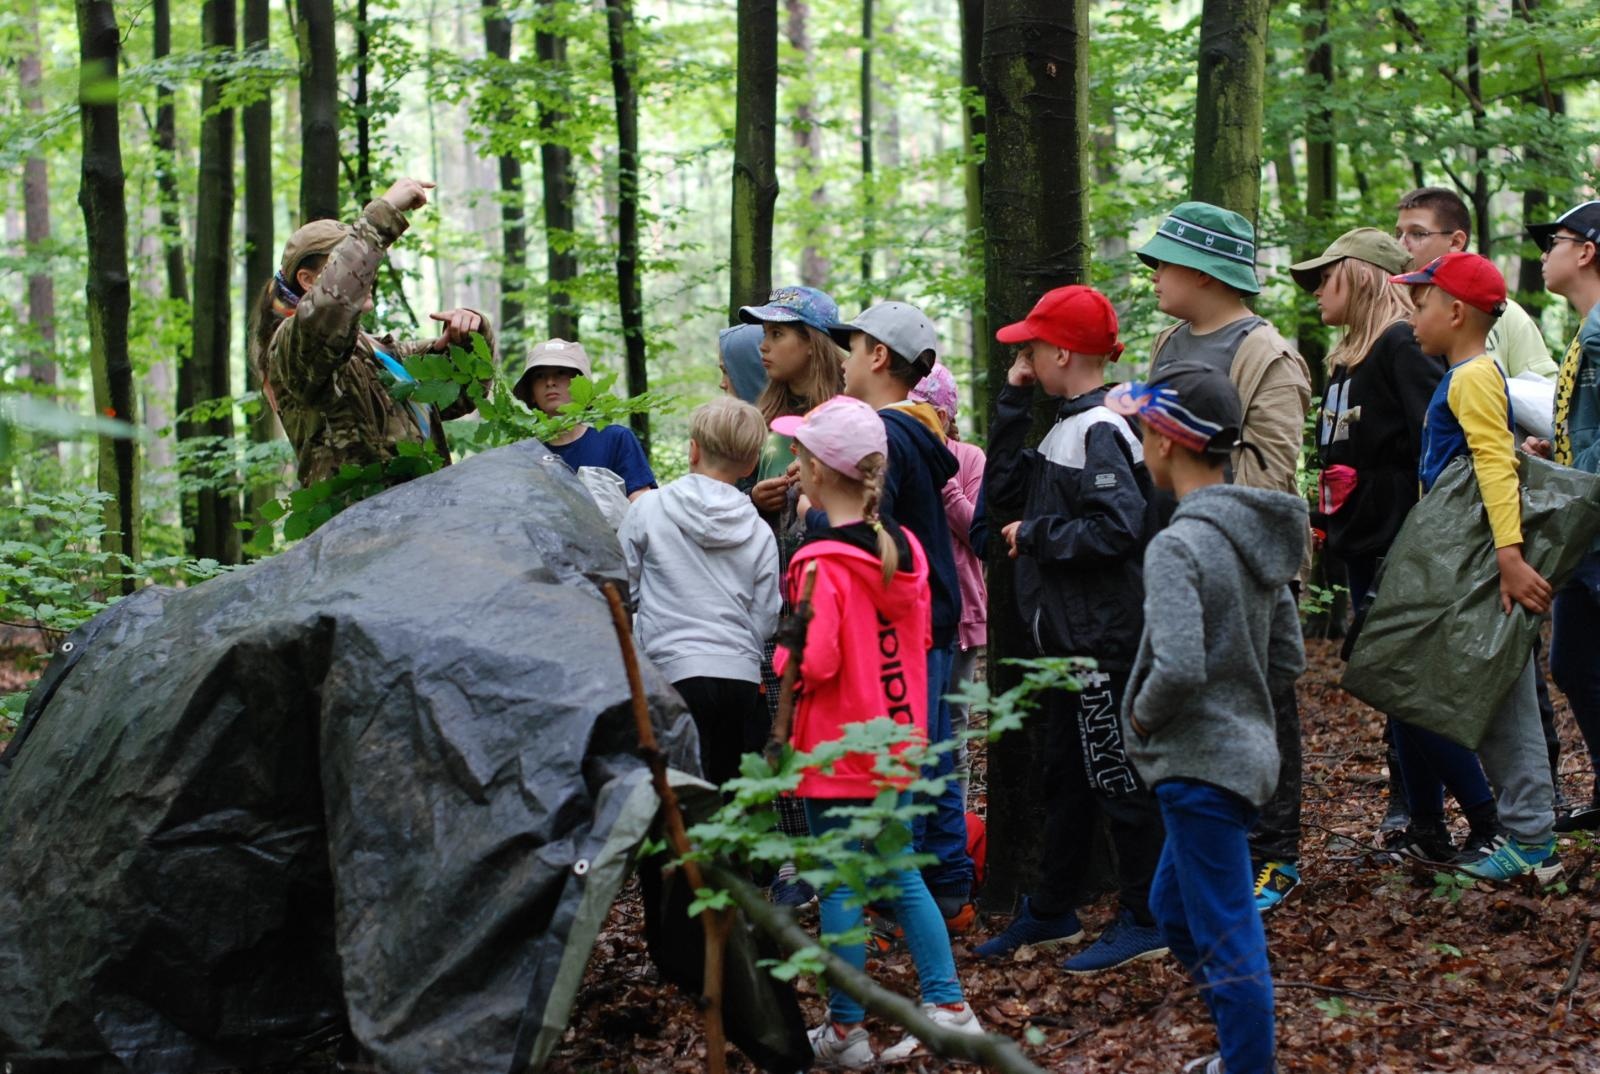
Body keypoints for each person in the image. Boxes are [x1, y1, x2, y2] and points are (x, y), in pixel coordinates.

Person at [770, 396, 983, 1068]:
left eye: (800, 452)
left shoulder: (819, 560)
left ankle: (844, 1032)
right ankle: (949, 1006)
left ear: (816, 471)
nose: (794, 460)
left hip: (836, 752)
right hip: (895, 744)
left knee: (839, 884)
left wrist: (781, 658)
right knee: (900, 874)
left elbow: (814, 660)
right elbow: (914, 642)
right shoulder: (906, 549)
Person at [1111, 362, 1307, 1074]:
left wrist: (1141, 718)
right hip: (1242, 759)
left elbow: (1180, 666)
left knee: (1226, 932)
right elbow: (1287, 658)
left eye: (1143, 430)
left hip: (1199, 765)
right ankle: (1238, 1045)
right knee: (1175, 911)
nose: (1140, 445)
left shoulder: (1178, 544)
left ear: (1167, 440)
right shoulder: (1254, 536)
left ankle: (1249, 1063)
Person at [1289, 229, 1499, 862]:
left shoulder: (1401, 346)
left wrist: (1429, 545)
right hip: (1361, 545)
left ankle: (1487, 822)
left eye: (1325, 276)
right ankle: (1427, 829)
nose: (1316, 290)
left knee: (1407, 690)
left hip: (1401, 548)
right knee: (1394, 694)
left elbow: (1440, 448)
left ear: (1359, 275)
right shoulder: (1345, 359)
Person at [975, 285, 1168, 974]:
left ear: (1061, 352)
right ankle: (1054, 908)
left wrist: (1038, 534)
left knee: (1117, 777)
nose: (1022, 356)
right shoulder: (1067, 424)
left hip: (1102, 643)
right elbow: (999, 495)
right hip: (1067, 642)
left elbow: (1118, 529)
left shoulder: (1102, 429)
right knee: (1065, 777)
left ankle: (1146, 917)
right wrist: (1012, 400)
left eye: (1030, 346)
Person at [1135, 202, 1312, 912]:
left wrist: (1209, 519)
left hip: (1245, 561)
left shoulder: (1267, 354)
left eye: (1164, 261)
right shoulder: (1168, 342)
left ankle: (1275, 854)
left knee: (1265, 702)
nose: (1153, 273)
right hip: (1177, 550)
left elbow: (1272, 469)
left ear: (1205, 272)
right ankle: (1205, 842)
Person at [1389, 251, 1561, 883]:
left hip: (1487, 565)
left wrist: (1508, 557)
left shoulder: (1473, 377)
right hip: (1476, 561)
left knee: (1504, 702)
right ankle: (1528, 834)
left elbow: (1494, 463)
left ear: (1456, 312)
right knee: (1491, 700)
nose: (1413, 318)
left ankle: (1533, 841)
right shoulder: (1466, 375)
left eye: (1422, 305)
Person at [828, 301, 975, 930]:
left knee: (903, 759)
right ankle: (949, 890)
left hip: (906, 620)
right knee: (933, 752)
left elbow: (870, 526)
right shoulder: (918, 431)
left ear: (880, 356)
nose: (845, 361)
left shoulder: (883, 434)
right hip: (934, 612)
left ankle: (899, 899)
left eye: (854, 348)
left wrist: (816, 515)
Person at [251, 177, 492, 488]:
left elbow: (458, 396)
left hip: (424, 512)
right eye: (344, 262)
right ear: (308, 281)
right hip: (361, 517)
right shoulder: (292, 350)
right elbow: (329, 307)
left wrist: (467, 337)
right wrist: (383, 214)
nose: (365, 273)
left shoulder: (377, 351)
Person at [736, 286, 847, 907]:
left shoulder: (851, 415)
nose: (765, 346)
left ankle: (844, 862)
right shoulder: (761, 424)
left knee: (832, 733)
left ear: (813, 343)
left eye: (778, 334)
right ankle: (792, 865)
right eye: (764, 335)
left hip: (837, 607)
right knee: (781, 732)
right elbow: (726, 504)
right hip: (775, 609)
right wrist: (753, 500)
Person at [618, 397, 780, 787]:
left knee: (679, 789)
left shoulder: (649, 509)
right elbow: (766, 618)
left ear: (693, 450)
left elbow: (621, 588)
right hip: (740, 678)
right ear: (750, 466)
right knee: (728, 789)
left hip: (671, 671)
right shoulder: (759, 530)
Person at [1525, 199, 1600, 832]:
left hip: (1595, 525)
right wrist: (1560, 449)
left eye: (1554, 241)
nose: (1545, 254)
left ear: (1587, 250)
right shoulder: (1587, 330)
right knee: (1573, 662)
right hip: (1586, 530)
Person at [908, 361, 986, 809]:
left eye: (920, 411)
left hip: (962, 613)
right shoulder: (897, 453)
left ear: (942, 415)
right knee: (917, 725)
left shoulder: (970, 458)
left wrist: (946, 481)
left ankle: (955, 827)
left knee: (953, 727)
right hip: (915, 610)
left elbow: (978, 533)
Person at [1394, 187, 1558, 381]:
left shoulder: (1503, 314)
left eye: (1417, 234)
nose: (1401, 244)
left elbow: (1545, 392)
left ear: (1455, 242)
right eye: (1398, 234)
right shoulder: (1385, 311)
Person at [512, 338, 656, 501]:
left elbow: (642, 504)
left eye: (561, 373)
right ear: (531, 393)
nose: (550, 382)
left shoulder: (615, 440)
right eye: (539, 376)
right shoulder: (524, 454)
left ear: (583, 385)